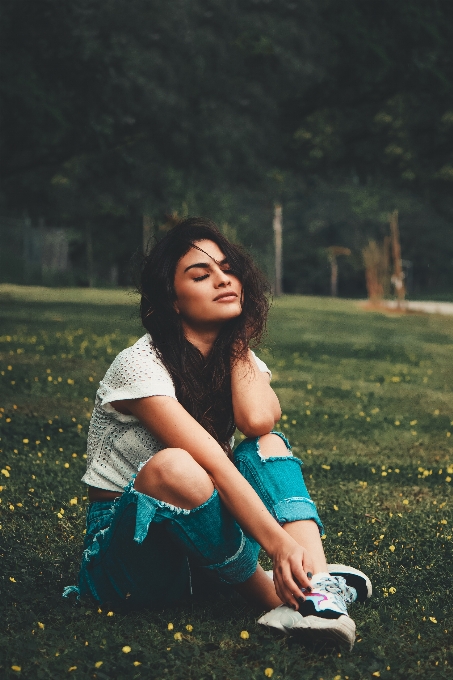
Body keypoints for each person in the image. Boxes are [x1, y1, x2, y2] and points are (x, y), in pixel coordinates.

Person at [64, 217, 371, 650]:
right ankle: (294, 602)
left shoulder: (234, 357)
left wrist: (237, 341)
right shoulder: (138, 365)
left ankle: (318, 588)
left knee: (267, 446)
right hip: (127, 560)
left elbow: (259, 423)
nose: (223, 280)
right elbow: (212, 465)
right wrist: (279, 545)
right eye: (200, 274)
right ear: (172, 299)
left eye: (228, 270)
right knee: (178, 466)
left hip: (203, 553)